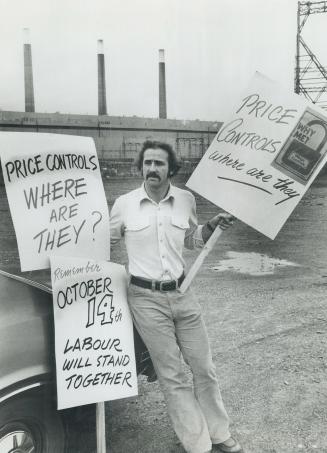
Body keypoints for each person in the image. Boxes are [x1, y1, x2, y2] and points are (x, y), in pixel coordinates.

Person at [110, 140, 242, 453]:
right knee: (172, 375)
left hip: (183, 294)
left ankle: (219, 433)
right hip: (144, 298)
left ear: (172, 169)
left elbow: (191, 241)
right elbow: (99, 239)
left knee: (204, 368)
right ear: (140, 167)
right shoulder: (124, 204)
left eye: (159, 163)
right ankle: (197, 444)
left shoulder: (185, 200)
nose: (152, 169)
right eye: (147, 163)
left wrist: (210, 225)